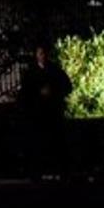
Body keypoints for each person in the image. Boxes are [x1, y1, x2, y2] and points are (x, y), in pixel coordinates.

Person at [19, 43, 73, 180]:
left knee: (56, 142)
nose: (42, 56)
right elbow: (25, 93)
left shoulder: (55, 70)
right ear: (36, 55)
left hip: (53, 112)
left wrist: (54, 92)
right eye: (40, 53)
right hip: (38, 114)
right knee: (40, 143)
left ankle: (58, 171)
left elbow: (67, 86)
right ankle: (39, 172)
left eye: (44, 53)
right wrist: (38, 93)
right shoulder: (31, 73)